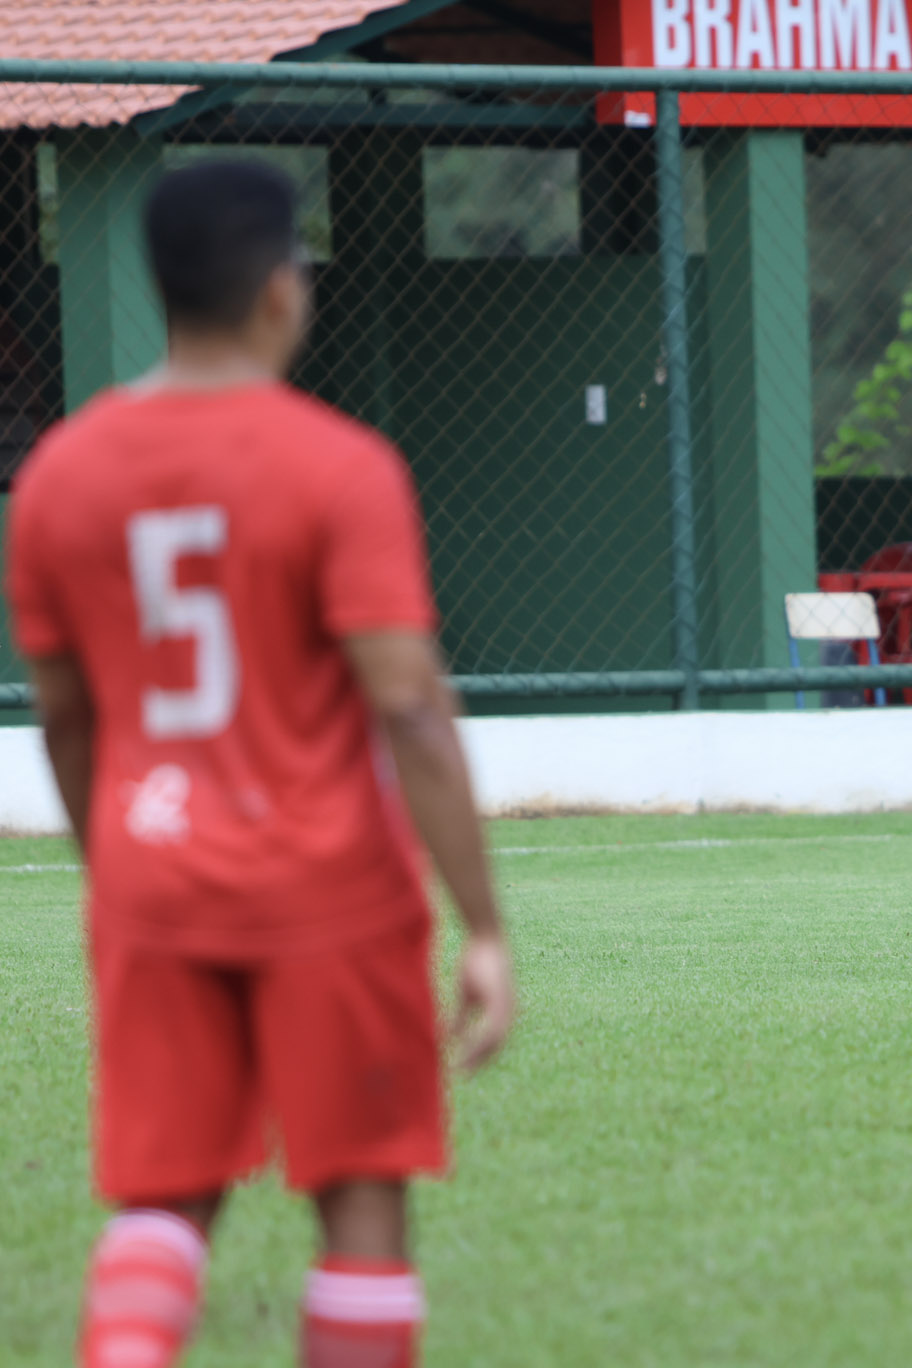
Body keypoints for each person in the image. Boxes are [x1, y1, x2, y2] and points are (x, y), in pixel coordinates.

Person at [5, 160, 515, 1368]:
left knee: (165, 1196)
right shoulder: (339, 466)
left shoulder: (60, 476)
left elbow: (66, 719)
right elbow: (409, 707)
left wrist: (116, 865)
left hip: (154, 878)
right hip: (331, 888)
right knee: (359, 1196)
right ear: (282, 289)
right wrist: (483, 923)